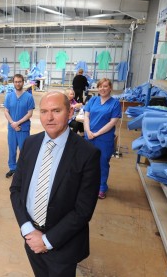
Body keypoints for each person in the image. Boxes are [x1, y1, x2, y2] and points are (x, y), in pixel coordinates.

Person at [10, 91, 101, 277]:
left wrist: (47, 241)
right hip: (30, 236)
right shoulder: (30, 144)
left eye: (56, 111)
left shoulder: (87, 154)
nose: (49, 118)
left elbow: (83, 210)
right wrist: (28, 230)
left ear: (69, 113)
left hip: (63, 245)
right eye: (44, 111)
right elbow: (16, 189)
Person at [83, 78, 122, 199]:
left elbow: (112, 122)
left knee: (102, 163)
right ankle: (88, 186)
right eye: (100, 86)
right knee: (87, 163)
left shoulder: (115, 104)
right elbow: (86, 116)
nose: (102, 89)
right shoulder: (93, 100)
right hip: (89, 136)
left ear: (110, 88)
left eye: (105, 86)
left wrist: (96, 133)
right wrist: (88, 131)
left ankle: (101, 187)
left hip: (104, 139)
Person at [4, 74, 35, 178]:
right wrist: (13, 123)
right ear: (13, 83)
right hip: (12, 129)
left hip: (23, 129)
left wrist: (18, 123)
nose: (18, 83)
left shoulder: (29, 97)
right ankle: (12, 168)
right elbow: (6, 111)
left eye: (20, 81)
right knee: (12, 149)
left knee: (24, 150)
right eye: (16, 82)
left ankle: (23, 170)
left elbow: (30, 113)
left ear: (23, 82)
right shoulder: (9, 96)